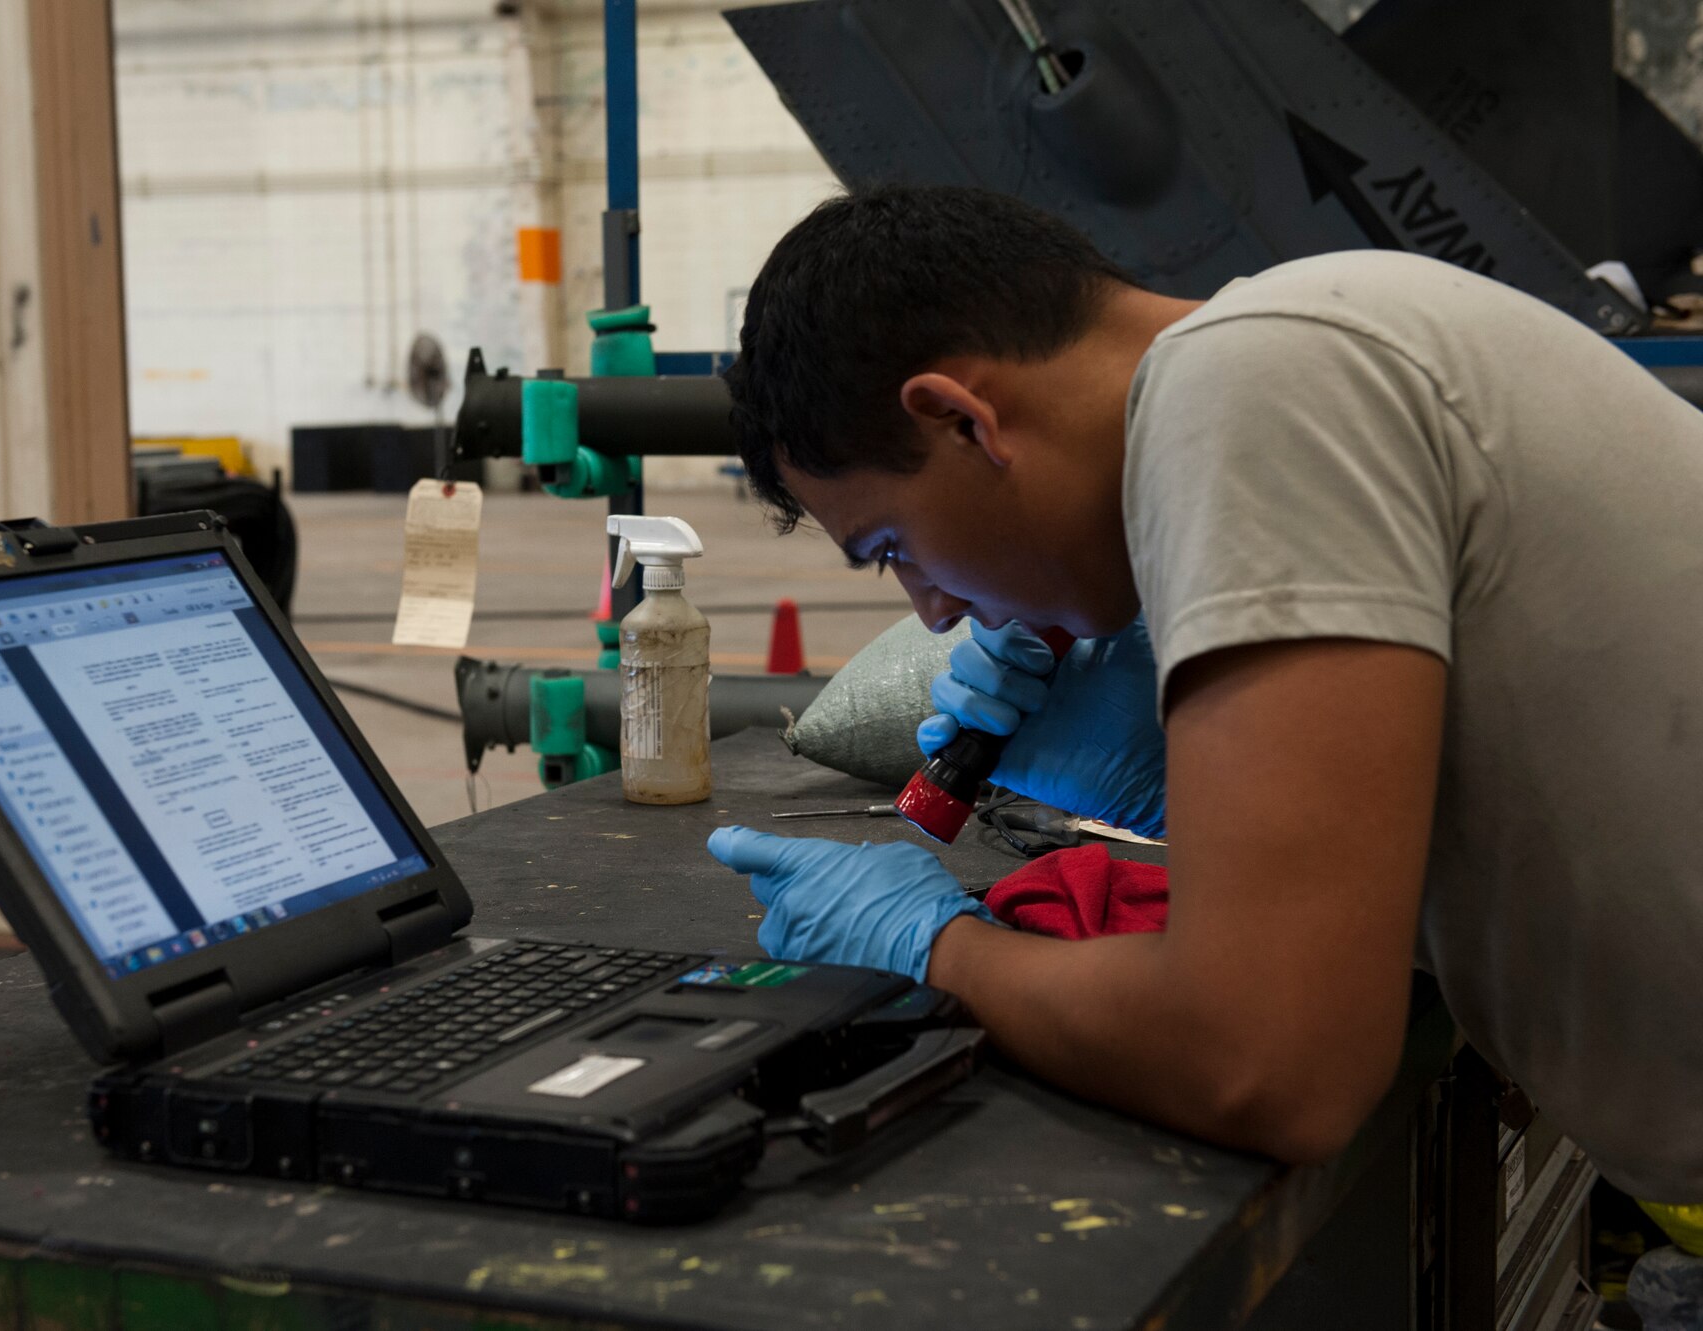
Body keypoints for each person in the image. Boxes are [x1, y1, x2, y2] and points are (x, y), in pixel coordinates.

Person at [706, 186, 1703, 1220]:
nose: (932, 607)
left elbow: (1272, 1057)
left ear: (960, 419)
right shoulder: (1305, 340)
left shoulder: (1252, 383)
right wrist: (1166, 777)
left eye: (893, 548)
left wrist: (928, 946)